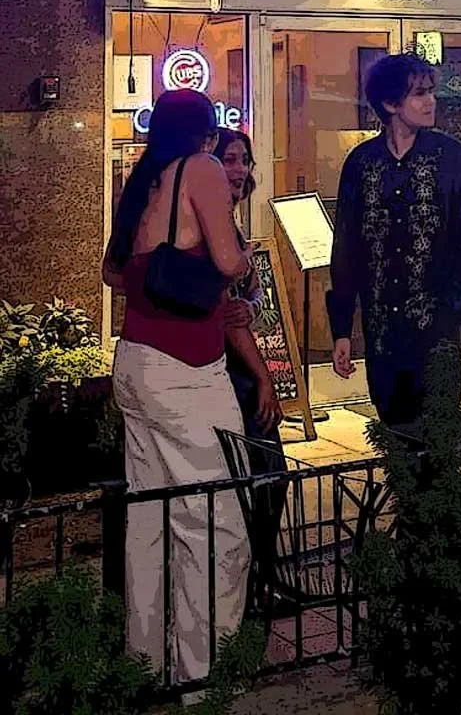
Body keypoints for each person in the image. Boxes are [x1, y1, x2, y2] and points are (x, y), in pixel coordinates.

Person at [102, 90, 256, 694]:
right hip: (187, 368)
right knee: (215, 521)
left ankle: (146, 665)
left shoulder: (143, 181)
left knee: (150, 519)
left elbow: (112, 273)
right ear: (207, 133)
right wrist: (243, 255)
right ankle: (204, 677)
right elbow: (228, 260)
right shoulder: (202, 169)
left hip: (135, 361)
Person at [326, 51, 461, 427]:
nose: (431, 101)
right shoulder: (361, 164)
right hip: (383, 333)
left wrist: (455, 307)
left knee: (439, 435)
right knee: (395, 433)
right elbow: (347, 250)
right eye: (419, 93)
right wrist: (341, 330)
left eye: (431, 91)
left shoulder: (452, 158)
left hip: (438, 330)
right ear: (390, 103)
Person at [214, 128, 284, 446]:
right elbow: (229, 316)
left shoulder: (233, 223)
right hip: (225, 364)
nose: (240, 169)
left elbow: (254, 289)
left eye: (245, 160)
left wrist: (252, 307)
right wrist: (264, 378)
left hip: (241, 361)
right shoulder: (210, 229)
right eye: (229, 160)